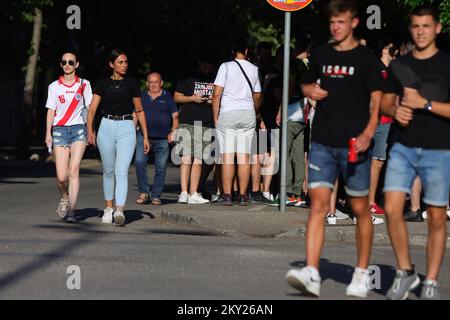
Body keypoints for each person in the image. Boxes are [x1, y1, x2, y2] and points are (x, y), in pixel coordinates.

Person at [285, 0, 384, 298]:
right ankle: (312, 272)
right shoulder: (322, 54)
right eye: (332, 23)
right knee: (317, 205)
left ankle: (361, 273)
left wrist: (368, 133)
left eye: (341, 22)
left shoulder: (366, 58)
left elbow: (377, 101)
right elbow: (303, 82)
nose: (335, 27)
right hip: (323, 143)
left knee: (359, 209)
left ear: (354, 22)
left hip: (355, 143)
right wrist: (308, 90)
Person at [381, 7, 450, 300]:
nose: (421, 31)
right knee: (393, 208)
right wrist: (395, 109)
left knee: (436, 217)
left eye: (426, 25)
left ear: (438, 27)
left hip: (439, 148)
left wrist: (425, 104)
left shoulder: (448, 64)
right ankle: (405, 271)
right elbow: (383, 102)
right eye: (416, 26)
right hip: (403, 146)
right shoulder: (399, 66)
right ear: (411, 30)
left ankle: (431, 280)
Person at [87, 49, 150, 227]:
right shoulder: (102, 83)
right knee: (108, 171)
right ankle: (108, 208)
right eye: (120, 62)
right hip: (106, 126)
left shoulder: (132, 83)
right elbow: (92, 109)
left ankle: (120, 210)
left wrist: (145, 136)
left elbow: (139, 110)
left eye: (126, 62)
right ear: (111, 64)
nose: (124, 65)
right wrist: (89, 130)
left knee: (121, 170)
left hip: (126, 127)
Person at [212, 38, 262, 206]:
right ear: (246, 51)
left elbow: (217, 93)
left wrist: (215, 116)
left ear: (233, 51)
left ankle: (227, 195)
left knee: (227, 156)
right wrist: (255, 112)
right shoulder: (254, 69)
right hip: (247, 113)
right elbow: (257, 95)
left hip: (228, 113)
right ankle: (243, 195)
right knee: (244, 157)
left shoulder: (225, 67)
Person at [45, 52, 93, 224]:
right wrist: (47, 133)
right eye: (64, 62)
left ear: (76, 64)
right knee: (61, 177)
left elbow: (90, 109)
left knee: (73, 170)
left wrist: (90, 130)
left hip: (79, 129)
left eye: (70, 62)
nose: (67, 65)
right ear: (61, 64)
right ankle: (64, 197)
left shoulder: (84, 84)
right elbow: (51, 110)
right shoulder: (54, 87)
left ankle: (72, 211)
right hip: (59, 130)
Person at [174, 57, 216, 205]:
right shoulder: (188, 76)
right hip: (187, 122)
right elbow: (177, 97)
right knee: (186, 158)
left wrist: (212, 101)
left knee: (198, 159)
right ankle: (184, 192)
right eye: (205, 63)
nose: (207, 66)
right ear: (199, 63)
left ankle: (193, 193)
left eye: (210, 64)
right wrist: (193, 98)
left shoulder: (216, 77)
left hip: (205, 123)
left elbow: (220, 99)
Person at [134, 72, 179, 206]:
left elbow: (175, 117)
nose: (153, 84)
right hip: (143, 136)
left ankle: (156, 195)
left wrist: (173, 132)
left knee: (160, 168)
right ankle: (143, 192)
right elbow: (135, 115)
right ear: (147, 83)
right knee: (139, 162)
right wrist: (132, 131)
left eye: (156, 82)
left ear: (161, 83)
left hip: (163, 139)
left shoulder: (168, 97)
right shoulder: (141, 97)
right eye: (151, 82)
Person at [368, 40, 396, 216]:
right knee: (366, 162)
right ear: (385, 50)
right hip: (373, 121)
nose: (397, 53)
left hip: (386, 122)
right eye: (393, 49)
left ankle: (371, 201)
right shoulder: (375, 68)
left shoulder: (392, 71)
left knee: (378, 162)